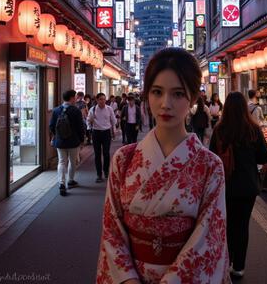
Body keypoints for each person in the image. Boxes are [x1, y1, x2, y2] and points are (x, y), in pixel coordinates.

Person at [96, 48, 230, 283]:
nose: (165, 104)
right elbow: (112, 230)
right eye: (157, 92)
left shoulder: (210, 166)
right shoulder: (123, 159)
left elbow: (209, 238)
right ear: (147, 94)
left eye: (178, 94)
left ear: (193, 98)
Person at [210, 91, 267, 279]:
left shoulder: (220, 130)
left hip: (226, 186)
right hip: (247, 186)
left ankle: (226, 261)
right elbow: (265, 156)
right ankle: (239, 266)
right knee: (242, 225)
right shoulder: (252, 129)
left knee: (228, 225)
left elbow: (211, 156)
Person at [49, 90, 86, 196]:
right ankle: (70, 180)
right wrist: (82, 140)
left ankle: (61, 183)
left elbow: (51, 126)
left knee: (61, 162)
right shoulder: (76, 110)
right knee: (72, 161)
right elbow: (80, 127)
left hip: (60, 141)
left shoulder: (56, 110)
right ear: (71, 98)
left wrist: (56, 136)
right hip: (73, 141)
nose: (75, 99)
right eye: (74, 97)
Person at [87, 93, 117, 183]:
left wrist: (114, 131)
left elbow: (113, 120)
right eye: (100, 99)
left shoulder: (109, 109)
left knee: (106, 153)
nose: (102, 101)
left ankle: (106, 171)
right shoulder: (93, 109)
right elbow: (88, 121)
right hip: (96, 133)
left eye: (104, 99)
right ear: (97, 100)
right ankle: (99, 174)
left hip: (106, 133)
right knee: (97, 154)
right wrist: (89, 128)